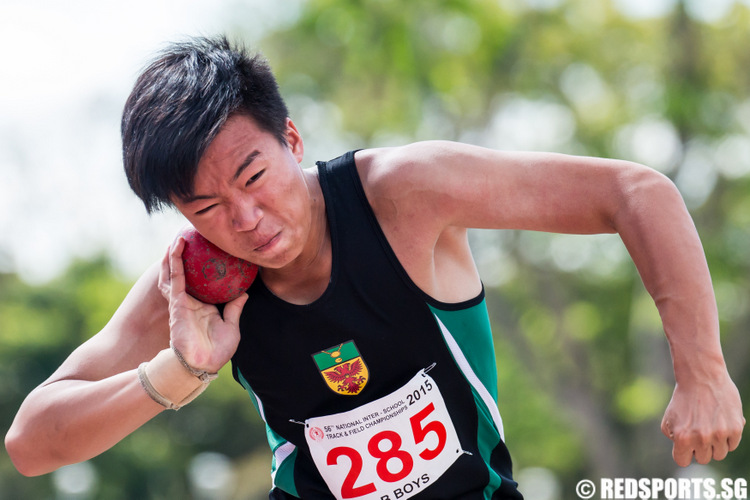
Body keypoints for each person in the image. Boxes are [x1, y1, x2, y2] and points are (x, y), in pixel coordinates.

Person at [5, 36, 745, 499]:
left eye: (254, 177)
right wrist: (178, 373)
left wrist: (703, 368)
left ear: (290, 138)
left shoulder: (403, 194)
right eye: (206, 207)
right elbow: (33, 445)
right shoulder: (193, 282)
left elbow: (634, 191)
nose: (246, 221)